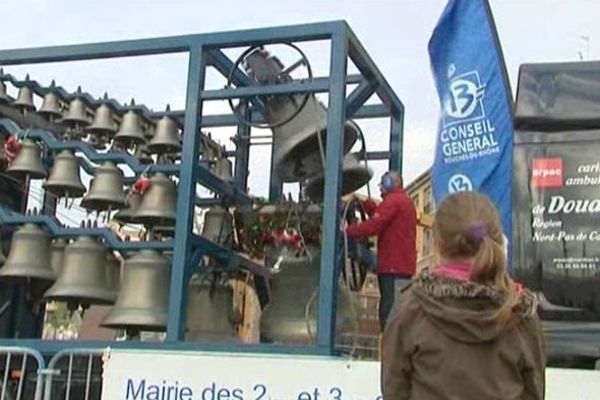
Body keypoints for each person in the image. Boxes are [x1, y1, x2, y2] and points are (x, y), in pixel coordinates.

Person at [382, 192, 545, 400]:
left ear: (437, 243)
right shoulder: (522, 313)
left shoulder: (410, 309)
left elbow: (394, 390)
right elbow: (534, 392)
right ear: (498, 240)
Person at [345, 171, 417, 332]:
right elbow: (382, 217)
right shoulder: (402, 201)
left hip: (393, 266)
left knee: (389, 312)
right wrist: (368, 205)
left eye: (382, 184)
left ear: (390, 183)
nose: (380, 188)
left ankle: (391, 348)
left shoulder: (394, 201)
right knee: (394, 309)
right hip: (399, 266)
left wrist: (346, 232)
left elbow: (374, 225)